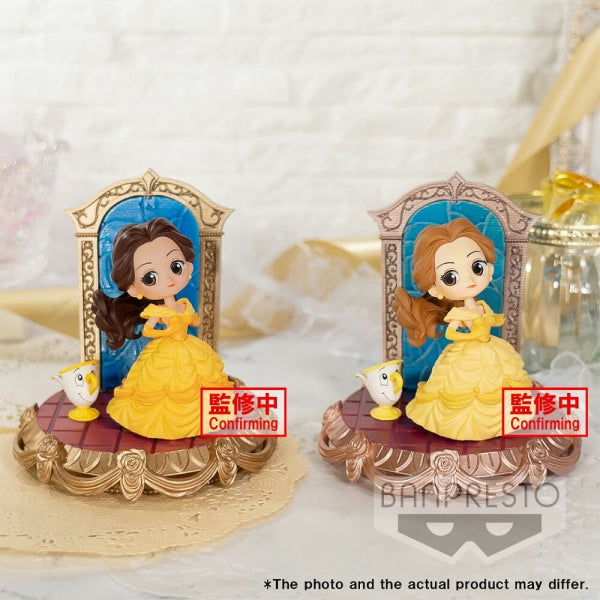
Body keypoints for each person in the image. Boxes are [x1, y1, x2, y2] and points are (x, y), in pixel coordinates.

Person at [92, 217, 232, 439]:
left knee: (198, 380)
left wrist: (190, 320)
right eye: (150, 277)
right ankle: (162, 423)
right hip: (165, 349)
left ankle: (204, 416)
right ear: (134, 288)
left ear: (188, 267)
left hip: (189, 346)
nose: (168, 279)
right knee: (162, 388)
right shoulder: (157, 311)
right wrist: (166, 332)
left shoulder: (182, 304)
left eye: (175, 267)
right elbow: (148, 331)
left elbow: (194, 320)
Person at [393, 218, 531, 440]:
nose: (469, 280)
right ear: (435, 288)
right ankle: (463, 425)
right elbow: (451, 333)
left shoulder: (481, 305)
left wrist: (492, 322)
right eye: (451, 277)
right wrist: (470, 336)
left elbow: (488, 320)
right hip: (467, 351)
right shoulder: (457, 313)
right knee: (463, 389)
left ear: (489, 268)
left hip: (491, 347)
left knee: (499, 383)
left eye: (477, 267)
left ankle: (504, 418)